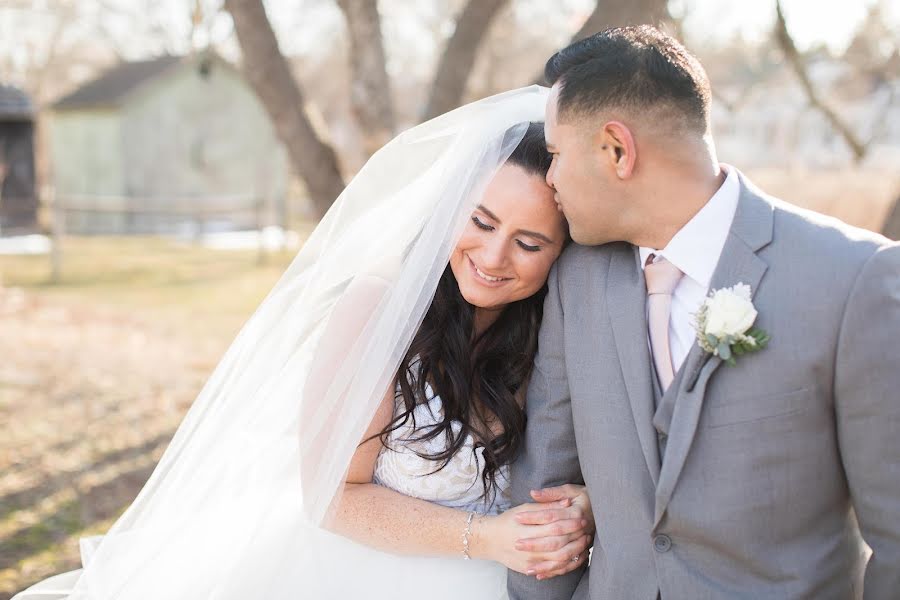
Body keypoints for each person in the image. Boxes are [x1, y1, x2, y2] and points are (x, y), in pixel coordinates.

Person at [13, 87, 591, 600]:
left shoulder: (552, 335)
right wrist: (483, 539)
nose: (493, 257)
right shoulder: (378, 309)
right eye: (482, 223)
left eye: (529, 242)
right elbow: (332, 497)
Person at [508, 26, 900, 600]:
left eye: (557, 154)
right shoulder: (579, 279)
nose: (550, 178)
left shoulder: (852, 278)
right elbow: (546, 490)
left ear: (617, 150)